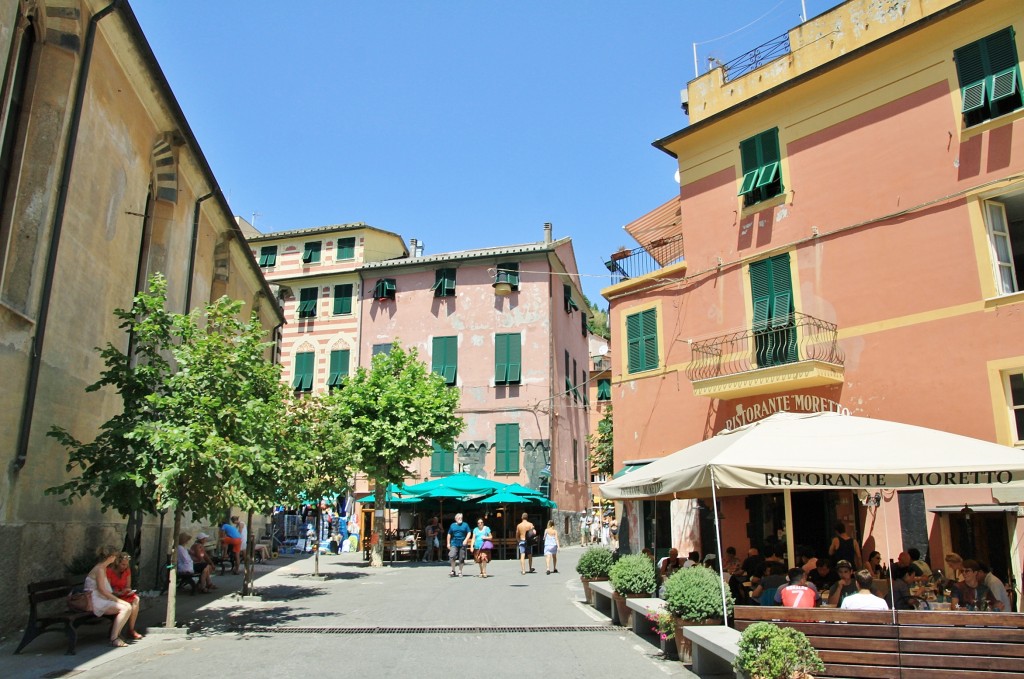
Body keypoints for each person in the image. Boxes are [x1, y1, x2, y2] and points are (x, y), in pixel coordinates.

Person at [85, 545, 135, 646]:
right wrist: (118, 600)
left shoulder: (102, 568)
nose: (115, 558)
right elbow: (102, 590)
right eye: (115, 556)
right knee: (125, 608)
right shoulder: (99, 569)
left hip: (100, 598)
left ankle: (116, 635)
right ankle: (114, 638)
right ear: (110, 557)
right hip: (95, 600)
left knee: (128, 607)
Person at [104, 552, 143, 640]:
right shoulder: (109, 571)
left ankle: (131, 629)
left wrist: (127, 590)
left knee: (136, 599)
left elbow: (128, 586)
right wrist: (118, 593)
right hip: (112, 595)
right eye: (123, 564)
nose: (125, 566)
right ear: (117, 563)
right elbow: (108, 589)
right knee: (126, 605)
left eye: (126, 564)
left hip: (122, 594)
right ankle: (117, 632)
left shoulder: (127, 570)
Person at [447, 513, 472, 578]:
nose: (460, 519)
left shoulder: (465, 525)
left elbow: (469, 532)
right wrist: (448, 543)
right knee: (452, 556)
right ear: (456, 519)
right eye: (459, 518)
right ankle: (453, 570)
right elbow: (449, 534)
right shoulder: (452, 525)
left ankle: (460, 571)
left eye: (461, 518)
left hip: (462, 543)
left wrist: (466, 540)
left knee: (462, 558)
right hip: (454, 543)